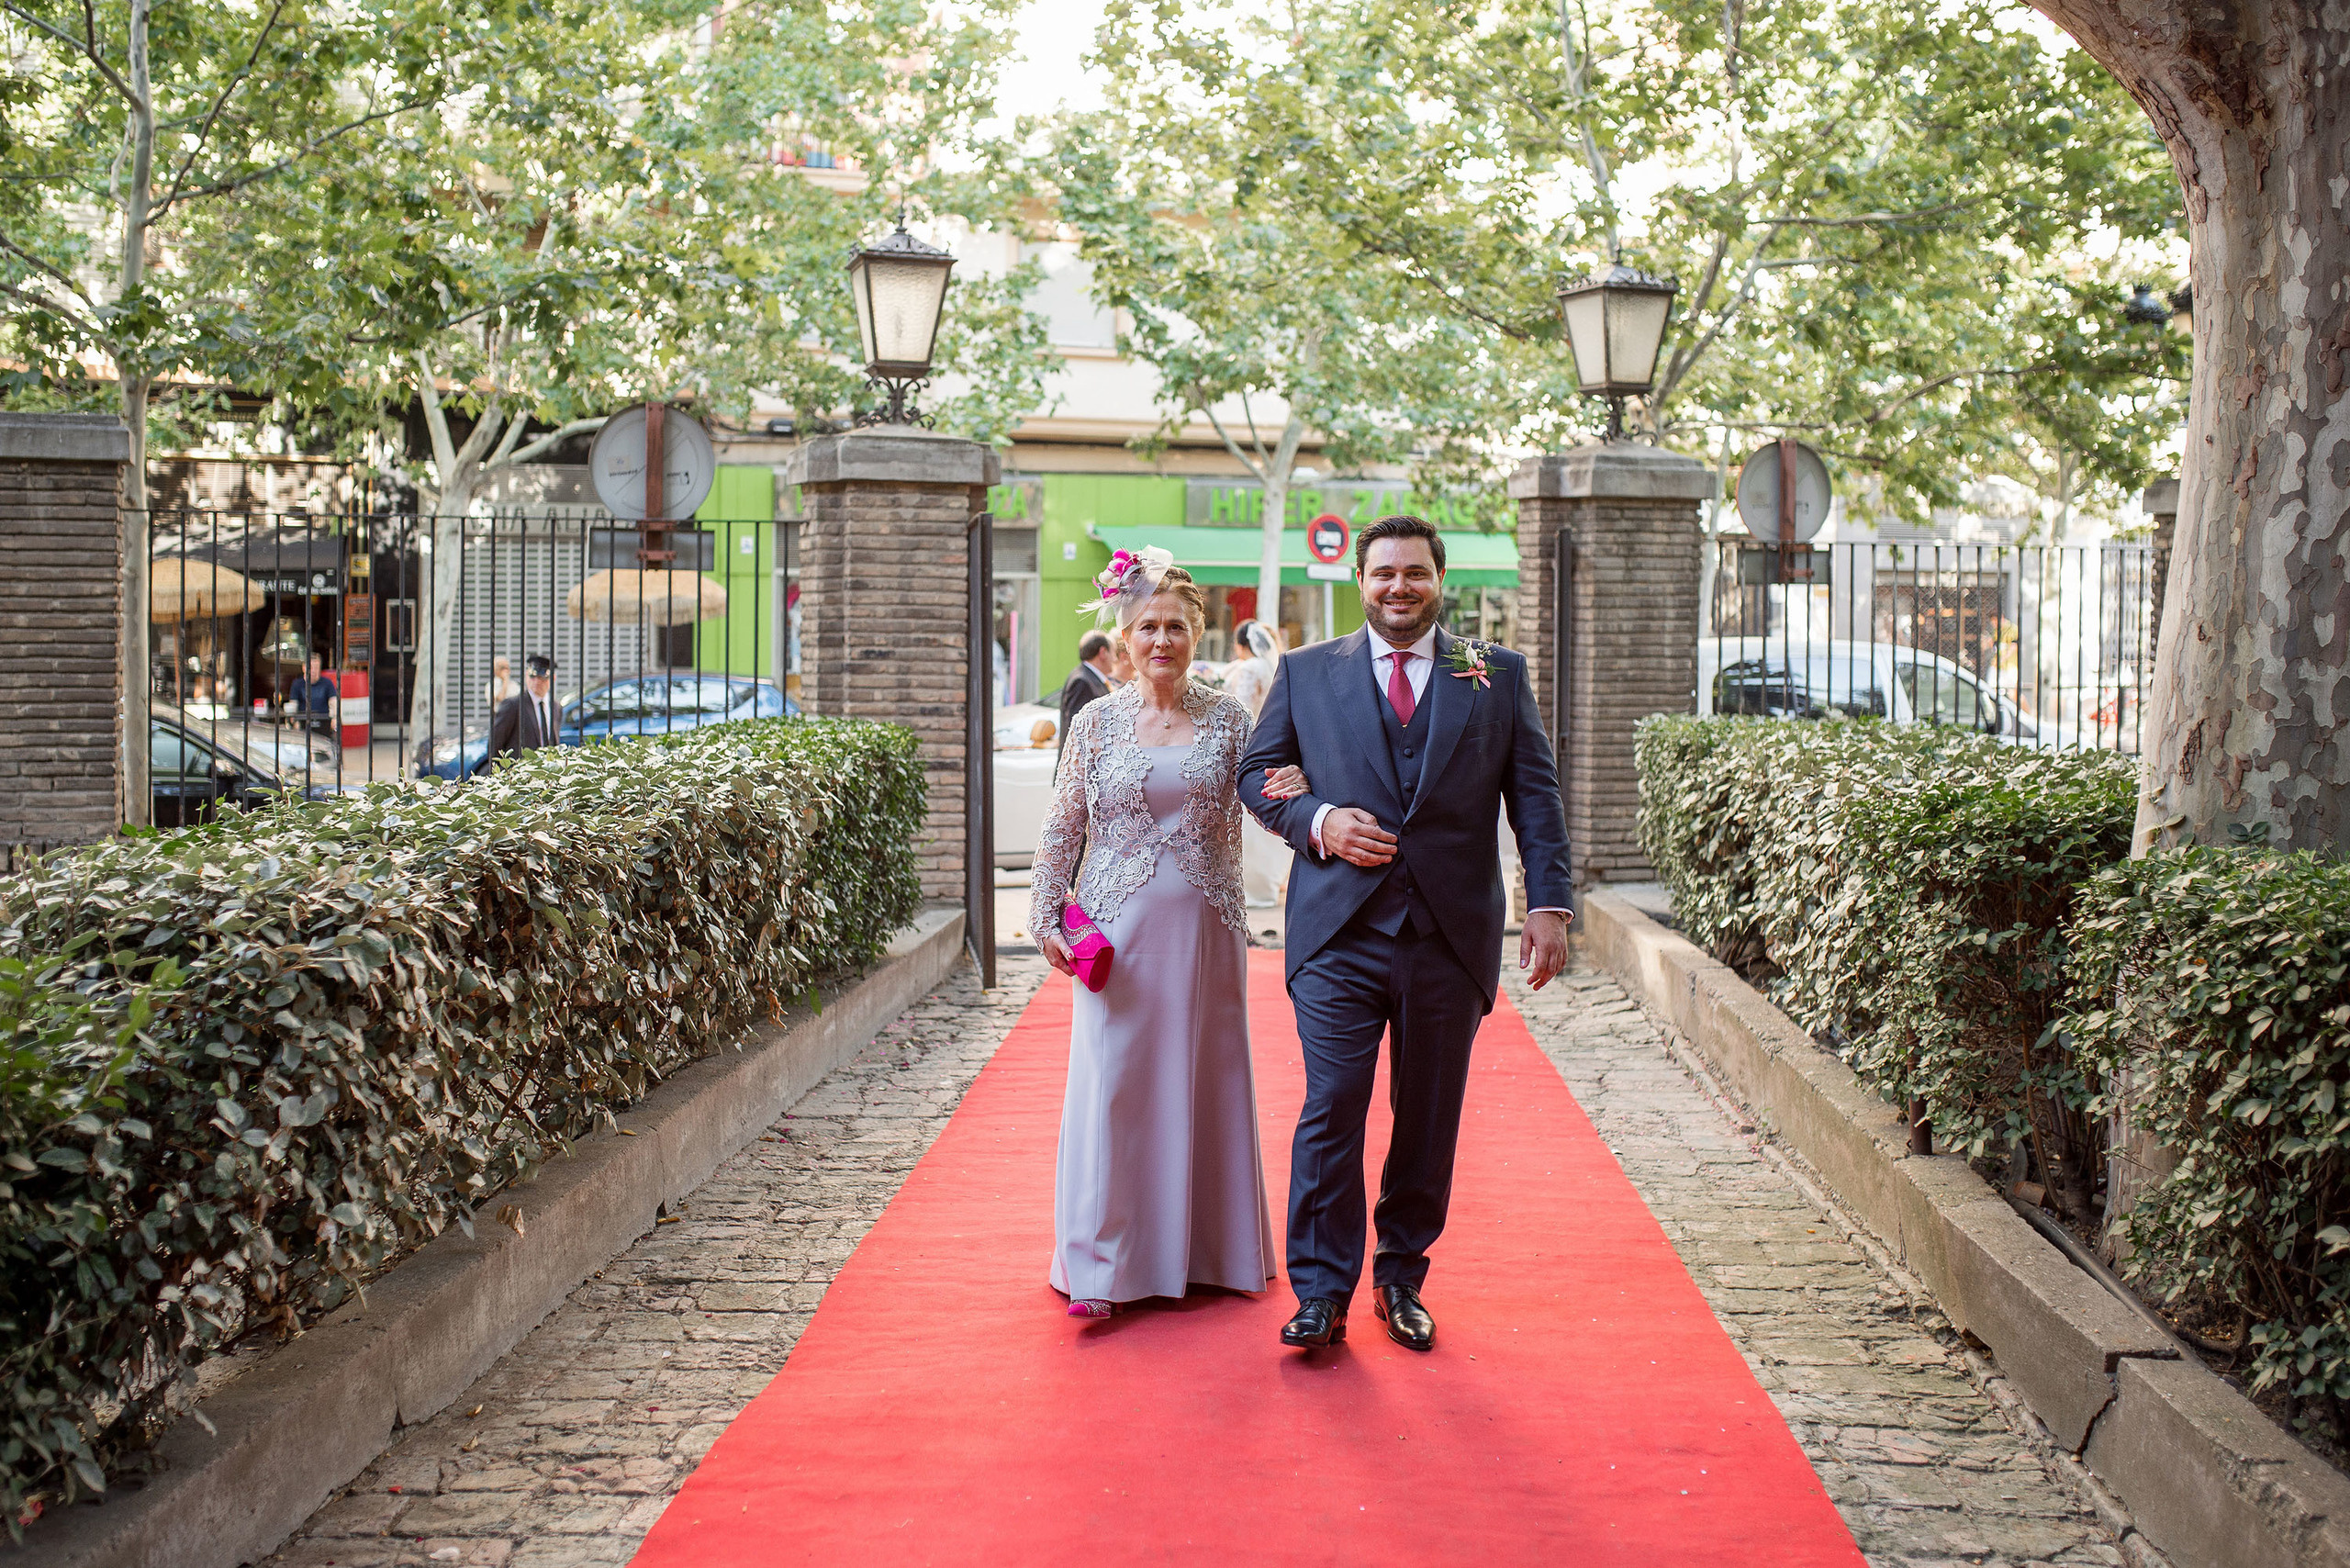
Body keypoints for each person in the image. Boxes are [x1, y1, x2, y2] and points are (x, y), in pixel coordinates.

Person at [1238, 514, 1574, 1353]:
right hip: (1338, 933)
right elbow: (1255, 774)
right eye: (1384, 572)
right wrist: (1318, 820)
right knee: (1333, 1104)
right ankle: (1320, 1293)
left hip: (1447, 936)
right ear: (1362, 581)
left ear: (1439, 578)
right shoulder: (1309, 673)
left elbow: (1533, 794)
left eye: (1414, 573)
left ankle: (1400, 1276)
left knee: (1428, 1116)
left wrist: (1549, 903)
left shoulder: (1494, 673)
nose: (1399, 587)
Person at [1030, 547, 1304, 1319]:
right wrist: (1045, 913)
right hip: (1115, 935)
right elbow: (1063, 824)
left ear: (1196, 632)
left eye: (1176, 626)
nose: (1161, 640)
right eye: (1147, 626)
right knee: (1115, 1087)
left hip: (1205, 927)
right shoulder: (1095, 721)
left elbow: (1264, 798)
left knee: (1204, 1078)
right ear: (1124, 638)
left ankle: (1210, 1252)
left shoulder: (1230, 718)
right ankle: (1101, 1266)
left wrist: (1300, 790)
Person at [1223, 622, 1291, 909]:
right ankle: (1269, 881)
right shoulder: (1273, 667)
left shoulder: (1248, 669)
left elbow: (1242, 709)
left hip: (1248, 748)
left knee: (1245, 819)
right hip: (1273, 746)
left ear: (1241, 645)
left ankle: (1250, 885)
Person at [474, 654, 563, 774]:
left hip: (547, 776)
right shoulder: (513, 705)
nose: (536, 682)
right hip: (520, 776)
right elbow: (495, 744)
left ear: (552, 679)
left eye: (542, 678)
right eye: (532, 677)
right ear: (526, 676)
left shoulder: (556, 707)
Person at [1054, 630, 1116, 775]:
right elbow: (1079, 734)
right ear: (1103, 653)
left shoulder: (1088, 677)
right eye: (1113, 653)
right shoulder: (1082, 681)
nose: (1115, 659)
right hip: (1083, 774)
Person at [290, 654, 338, 734]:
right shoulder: (297, 684)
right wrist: (294, 720)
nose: (313, 671)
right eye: (311, 667)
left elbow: (334, 703)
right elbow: (293, 705)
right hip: (304, 721)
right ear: (303, 668)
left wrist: (334, 718)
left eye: (316, 668)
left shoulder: (327, 683)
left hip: (324, 721)